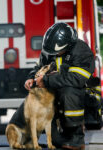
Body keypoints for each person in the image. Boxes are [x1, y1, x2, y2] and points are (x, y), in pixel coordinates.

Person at [24, 22, 95, 150]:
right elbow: (39, 66)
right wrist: (31, 77)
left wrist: (46, 81)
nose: (54, 55)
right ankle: (55, 136)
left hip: (78, 92)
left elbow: (76, 79)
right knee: (57, 142)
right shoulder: (51, 48)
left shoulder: (81, 51)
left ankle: (76, 138)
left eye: (58, 52)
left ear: (68, 45)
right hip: (55, 89)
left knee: (69, 93)